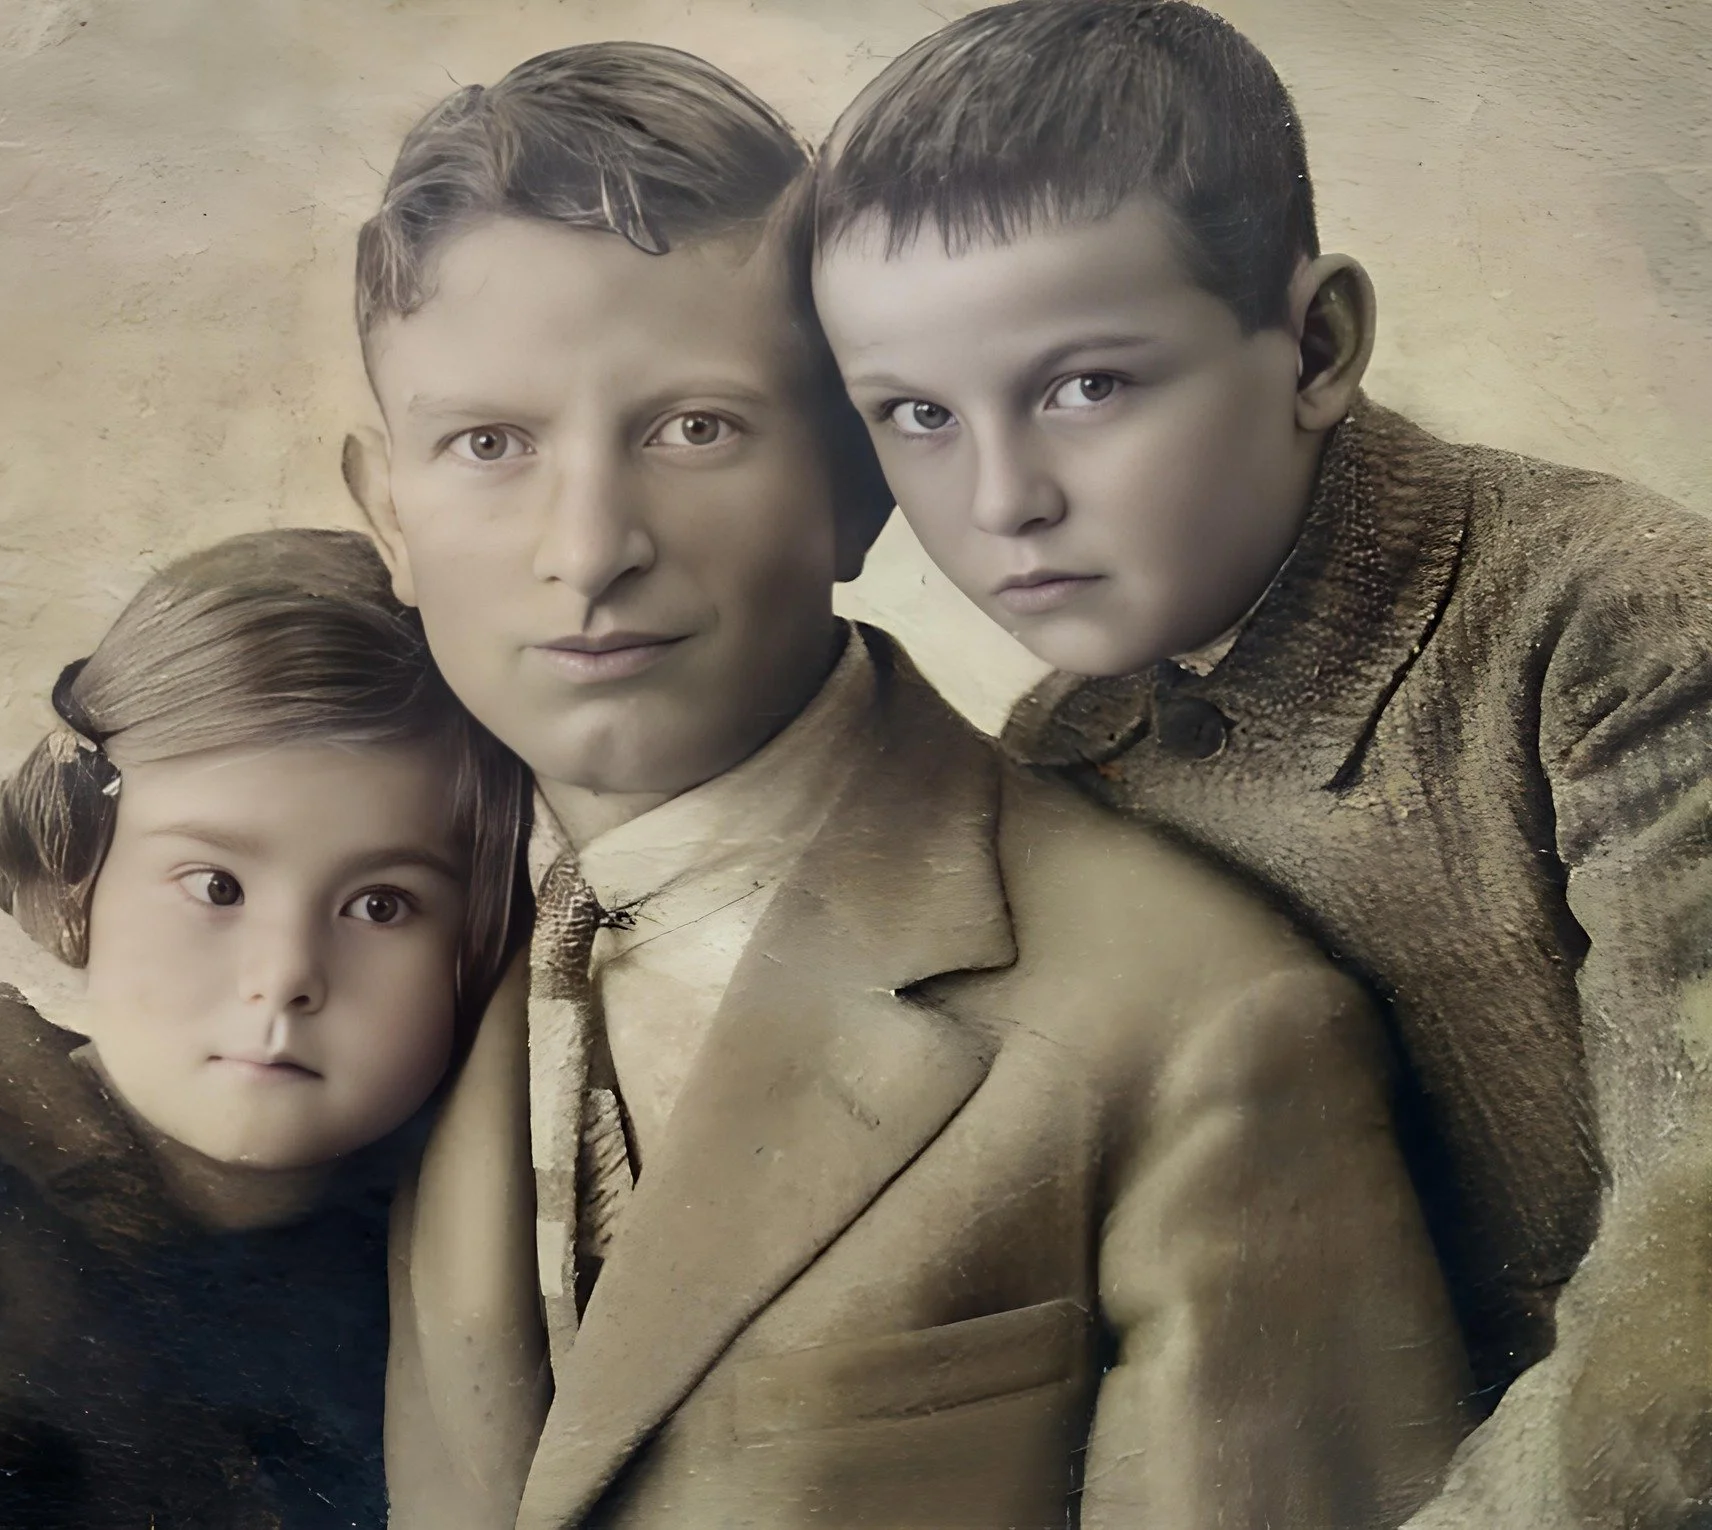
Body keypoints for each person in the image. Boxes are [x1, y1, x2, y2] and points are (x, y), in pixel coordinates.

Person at [354, 41, 1472, 1529]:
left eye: (696, 428)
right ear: (389, 511)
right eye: (486, 442)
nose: (588, 546)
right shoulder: (383, 950)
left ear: (860, 480)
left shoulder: (1193, 1018)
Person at [805, 3, 1712, 1525]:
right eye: (916, 415)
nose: (1004, 497)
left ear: (1316, 343)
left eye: (1086, 384)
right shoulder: (1068, 749)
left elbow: (1689, 1294)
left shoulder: (1617, 627)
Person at [0, 528, 526, 1528]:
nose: (285, 976)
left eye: (381, 905)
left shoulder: (468, 1246)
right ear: (82, 875)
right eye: (215, 886)